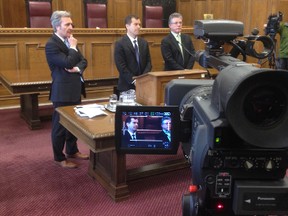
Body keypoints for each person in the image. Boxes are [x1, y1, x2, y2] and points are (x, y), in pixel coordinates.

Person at [45, 11, 89, 169]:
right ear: (57, 26)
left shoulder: (70, 42)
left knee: (73, 125)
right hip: (62, 92)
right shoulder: (51, 44)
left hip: (75, 88)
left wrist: (78, 68)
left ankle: (72, 150)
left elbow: (84, 61)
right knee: (60, 127)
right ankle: (59, 157)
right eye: (67, 24)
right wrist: (73, 48)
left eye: (72, 24)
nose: (71, 27)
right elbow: (67, 62)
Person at [114, 14, 152, 93]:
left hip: (144, 84)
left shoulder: (144, 43)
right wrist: (134, 80)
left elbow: (149, 63)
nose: (139, 27)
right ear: (127, 26)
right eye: (135, 24)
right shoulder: (120, 44)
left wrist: (143, 79)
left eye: (139, 24)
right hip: (127, 86)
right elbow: (121, 66)